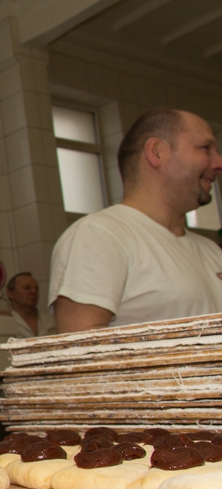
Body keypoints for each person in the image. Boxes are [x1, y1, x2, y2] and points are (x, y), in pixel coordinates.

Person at [48, 107, 222, 334]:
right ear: (157, 152)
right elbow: (79, 353)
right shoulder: (100, 235)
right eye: (205, 148)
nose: (218, 162)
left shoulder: (212, 252)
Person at [6, 272, 56, 338]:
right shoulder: (5, 322)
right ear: (10, 294)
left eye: (36, 289)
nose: (33, 292)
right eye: (27, 288)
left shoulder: (51, 321)